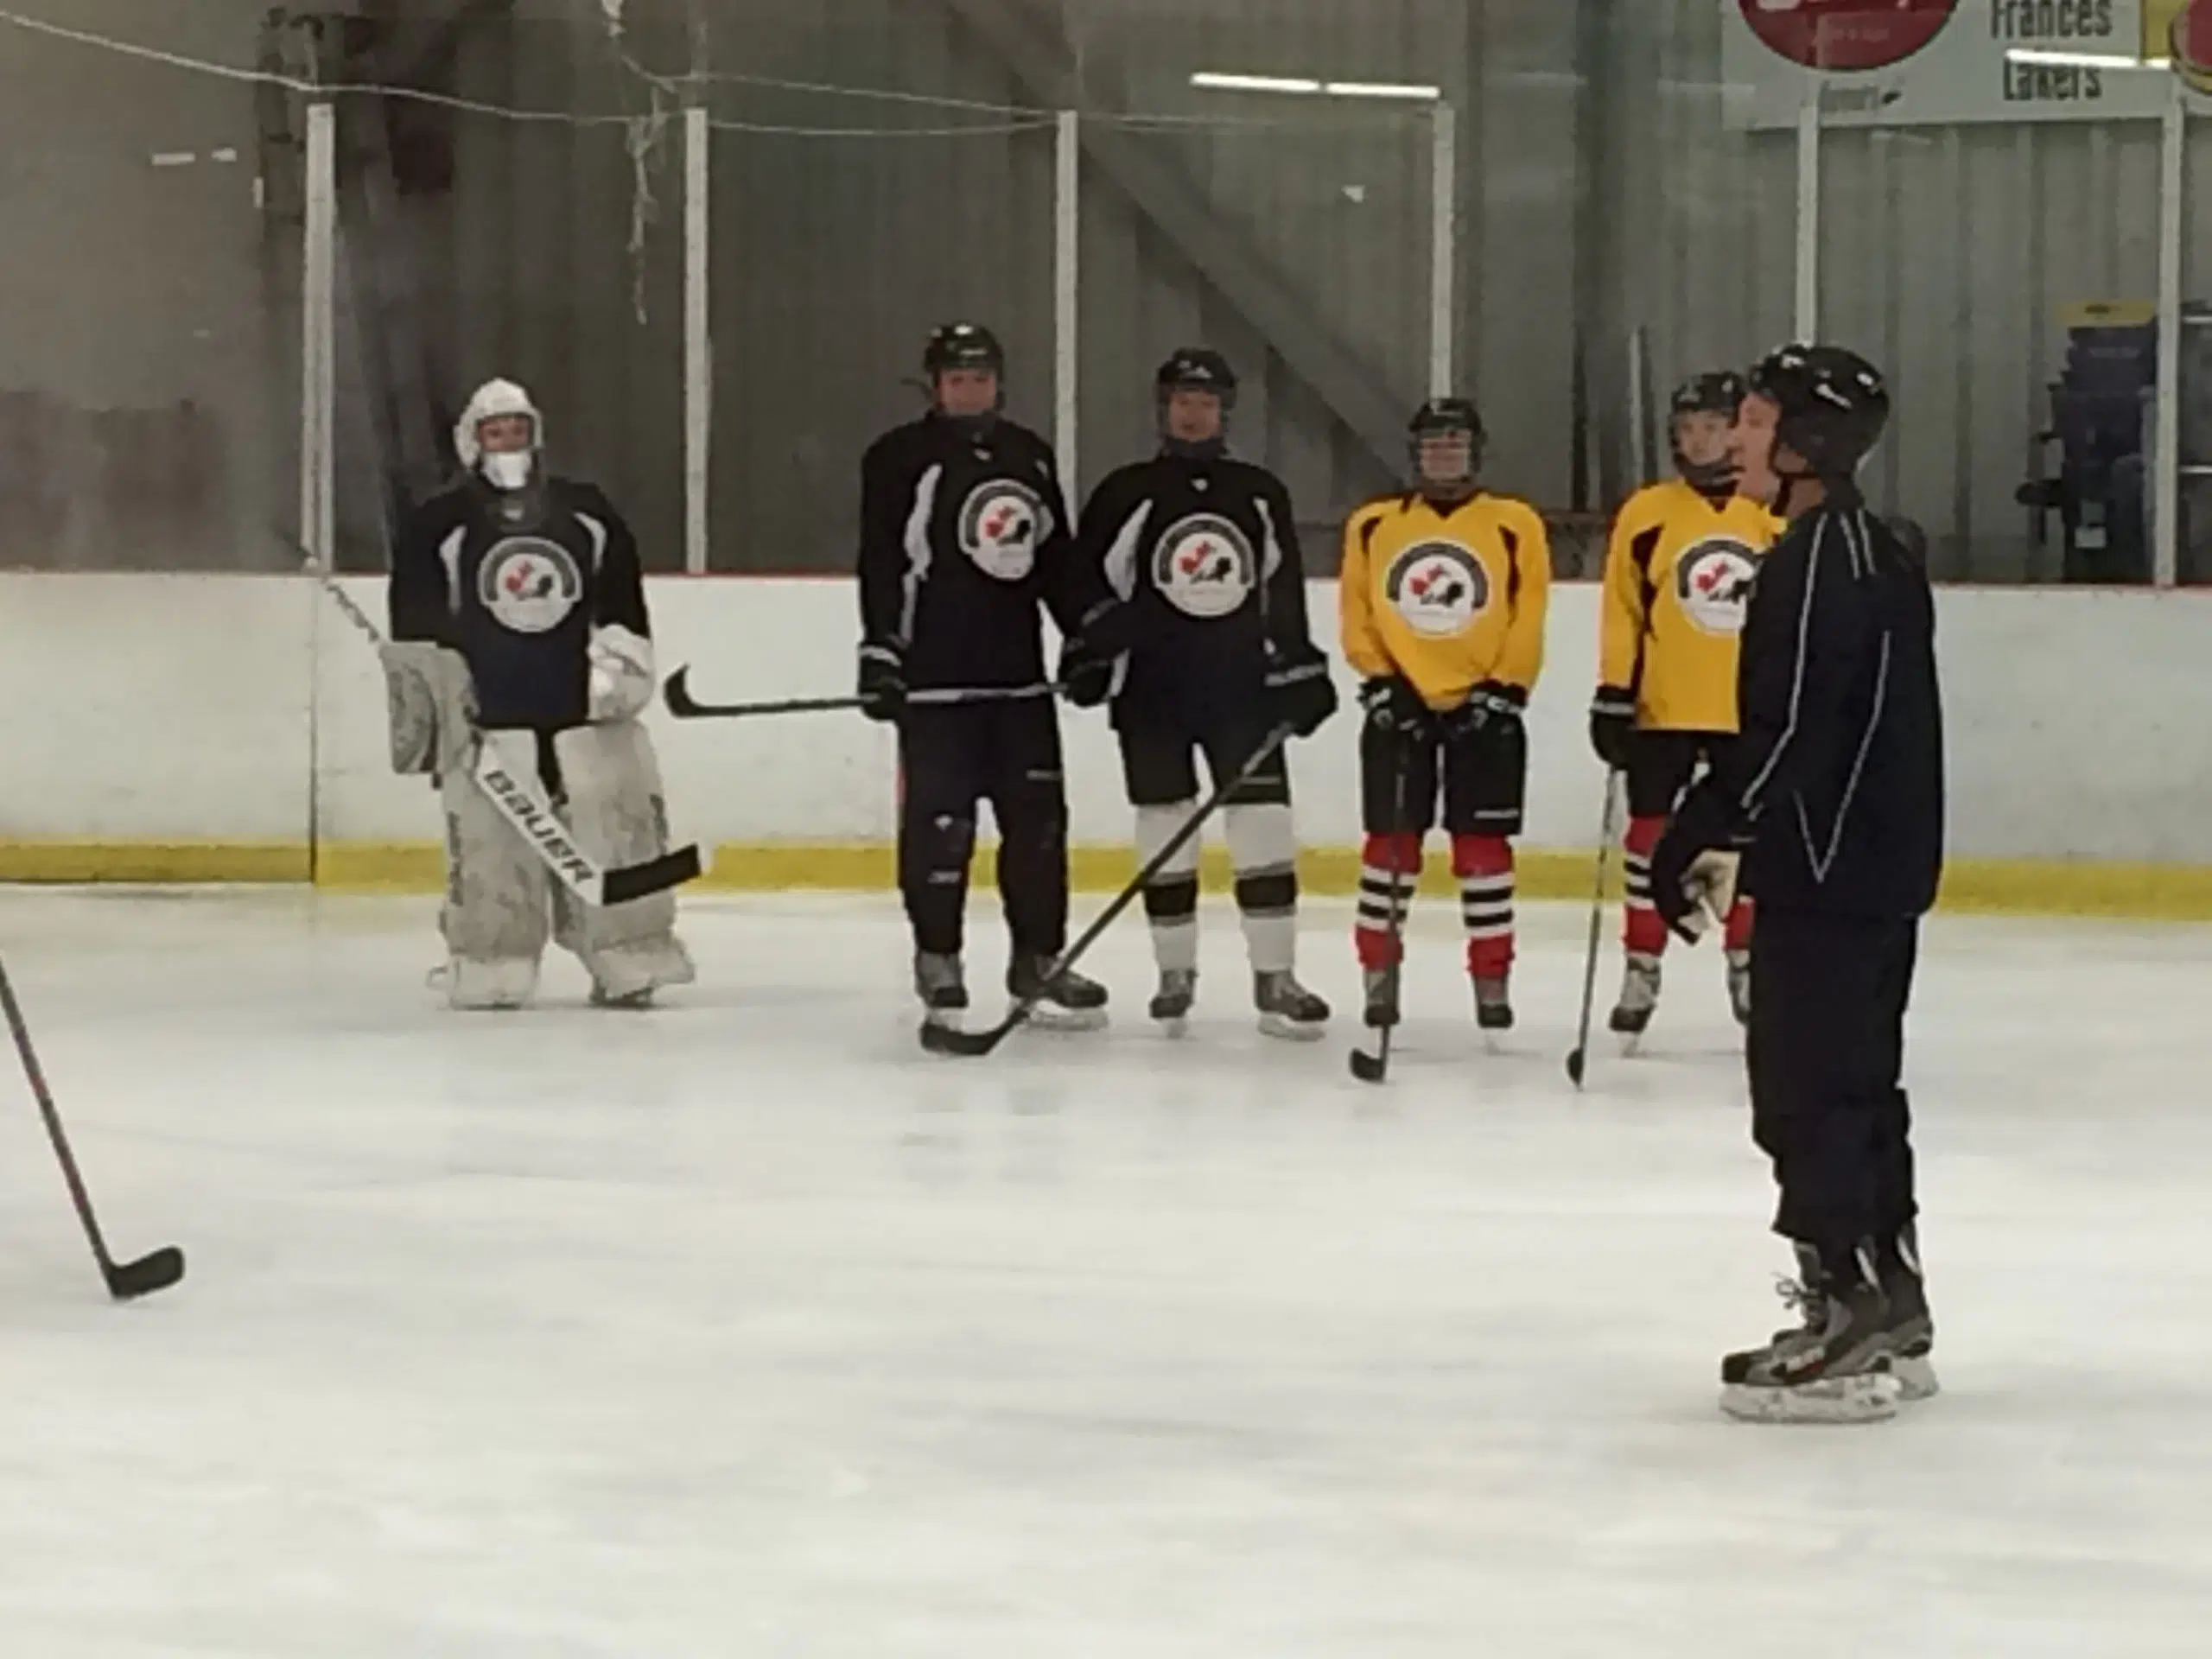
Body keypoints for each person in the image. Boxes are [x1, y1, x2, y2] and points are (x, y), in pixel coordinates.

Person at [1650, 344, 1945, 1423]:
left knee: (1806, 1089)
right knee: (1863, 1087)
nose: (1737, 437)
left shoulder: (1815, 559)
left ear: (1808, 444)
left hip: (1826, 871)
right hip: (1873, 870)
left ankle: (1845, 1318)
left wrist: (1702, 828)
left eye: (1759, 420)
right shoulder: (1877, 549)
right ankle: (1890, 1302)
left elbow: (1793, 726)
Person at [387, 378, 695, 1011]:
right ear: (472, 443)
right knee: (489, 844)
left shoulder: (585, 511)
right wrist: (437, 698)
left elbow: (622, 603)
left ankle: (630, 953)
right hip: (489, 714)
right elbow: (414, 620)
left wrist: (623, 666)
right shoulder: (439, 523)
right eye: (496, 433)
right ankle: (492, 958)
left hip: (581, 709)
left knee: (617, 826)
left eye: (519, 430)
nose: (509, 443)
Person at [855, 322, 1128, 1029]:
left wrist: (1086, 642)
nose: (970, 389)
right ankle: (938, 955)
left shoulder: (1027, 456)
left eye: (980, 377)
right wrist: (881, 650)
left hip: (1018, 683)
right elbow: (884, 561)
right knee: (942, 827)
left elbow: (1054, 562)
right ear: (936, 385)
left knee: (1038, 830)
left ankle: (1038, 959)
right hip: (937, 683)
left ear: (998, 382)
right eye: (956, 378)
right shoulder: (898, 458)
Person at [1075, 348, 1338, 1038]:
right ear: (1165, 408)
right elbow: (1086, 585)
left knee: (1264, 827)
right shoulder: (1125, 491)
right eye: (1183, 401)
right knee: (1165, 825)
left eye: (1207, 402)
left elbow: (1279, 589)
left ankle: (1275, 977)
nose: (1194, 413)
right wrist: (1091, 649)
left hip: (1241, 689)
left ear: (1225, 410)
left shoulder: (1257, 492)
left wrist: (1301, 665)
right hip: (1152, 690)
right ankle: (1174, 973)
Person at [1339, 397, 1550, 1036]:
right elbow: (1358, 612)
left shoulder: (1515, 522)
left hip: (1485, 710)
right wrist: (1379, 681)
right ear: (1415, 454)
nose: (1445, 455)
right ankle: (1379, 975)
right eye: (1433, 445)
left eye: (1455, 443)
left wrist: (1503, 688)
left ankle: (1492, 979)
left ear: (1476, 451)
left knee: (1484, 854)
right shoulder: (1374, 524)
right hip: (1399, 707)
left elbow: (1528, 612)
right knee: (1389, 852)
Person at [1589, 372, 1783, 1038]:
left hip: (1745, 712)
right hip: (1663, 709)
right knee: (1646, 843)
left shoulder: (1768, 512)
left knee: (1749, 846)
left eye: (1713, 426)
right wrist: (1615, 690)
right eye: (1688, 428)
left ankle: (1747, 960)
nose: (1699, 440)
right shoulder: (1648, 512)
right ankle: (1642, 966)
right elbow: (1622, 609)